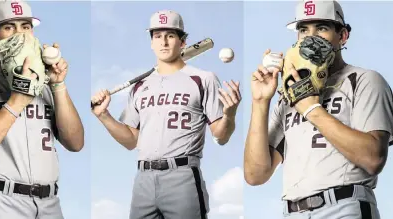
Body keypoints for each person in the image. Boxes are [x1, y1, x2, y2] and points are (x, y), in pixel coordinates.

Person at [244, 0, 393, 218]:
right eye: (303, 29)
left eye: (321, 28)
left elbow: (373, 159)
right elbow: (255, 175)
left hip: (343, 206)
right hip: (291, 212)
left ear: (342, 36)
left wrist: (311, 108)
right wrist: (260, 101)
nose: (310, 37)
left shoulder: (364, 80)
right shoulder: (288, 96)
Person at [92, 9, 241, 219]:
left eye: (170, 35)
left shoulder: (202, 79)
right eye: (157, 36)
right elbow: (130, 141)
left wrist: (230, 115)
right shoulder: (139, 87)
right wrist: (103, 115)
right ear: (151, 42)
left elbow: (221, 135)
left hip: (182, 176)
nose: (163, 42)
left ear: (182, 42)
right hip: (143, 179)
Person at [0, 1, 84, 218]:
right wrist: (18, 99)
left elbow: (76, 143)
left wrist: (57, 84)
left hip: (50, 203)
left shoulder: (44, 83)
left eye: (25, 27)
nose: (20, 35)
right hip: (0, 200)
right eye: (9, 27)